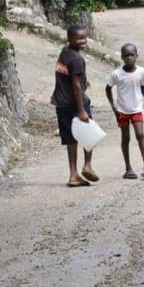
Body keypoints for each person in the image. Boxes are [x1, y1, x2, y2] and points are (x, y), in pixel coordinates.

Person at [51, 25, 99, 187]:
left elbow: (71, 77)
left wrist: (84, 80)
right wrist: (81, 111)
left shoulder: (65, 52)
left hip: (61, 103)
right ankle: (87, 165)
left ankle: (73, 175)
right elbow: (76, 86)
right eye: (79, 38)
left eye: (84, 37)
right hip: (75, 103)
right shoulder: (77, 59)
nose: (83, 41)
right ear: (70, 39)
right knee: (89, 134)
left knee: (71, 139)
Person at [106, 43, 144, 180]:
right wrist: (114, 108)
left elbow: (143, 88)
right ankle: (128, 168)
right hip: (122, 111)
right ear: (122, 57)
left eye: (131, 55)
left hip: (136, 109)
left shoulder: (141, 71)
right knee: (126, 138)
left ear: (136, 56)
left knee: (140, 134)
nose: (129, 58)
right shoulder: (116, 74)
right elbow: (108, 88)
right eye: (126, 55)